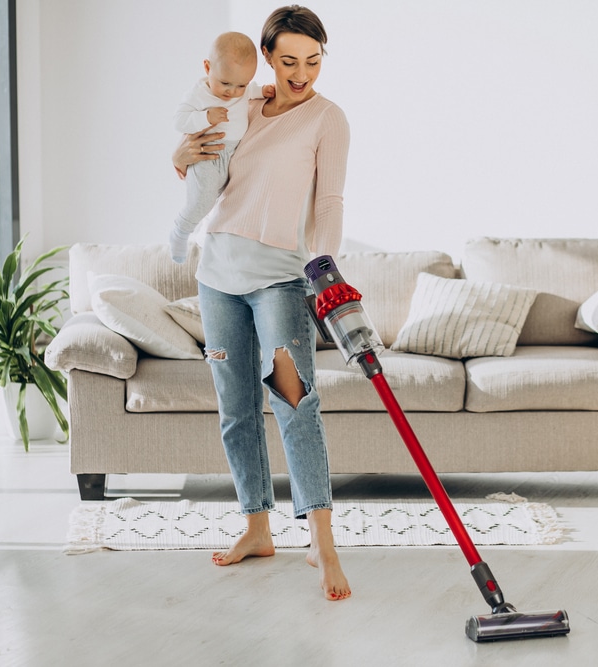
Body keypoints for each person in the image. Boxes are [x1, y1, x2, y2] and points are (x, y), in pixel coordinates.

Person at [171, 5, 351, 602]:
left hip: (280, 277)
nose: (302, 73)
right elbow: (203, 171)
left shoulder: (328, 118)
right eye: (290, 60)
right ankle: (257, 527)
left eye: (314, 61)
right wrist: (180, 155)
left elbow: (329, 201)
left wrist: (323, 266)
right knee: (235, 406)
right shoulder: (243, 107)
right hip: (217, 271)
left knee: (296, 401)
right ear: (268, 59)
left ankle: (321, 542)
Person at [170, 31, 272, 264]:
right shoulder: (199, 94)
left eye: (240, 85)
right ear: (207, 68)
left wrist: (261, 91)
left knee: (220, 204)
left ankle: (199, 236)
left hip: (231, 154)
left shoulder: (241, 88)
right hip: (208, 153)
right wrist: (206, 117)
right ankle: (180, 232)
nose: (232, 92)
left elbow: (250, 91)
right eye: (225, 83)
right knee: (202, 200)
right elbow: (179, 120)